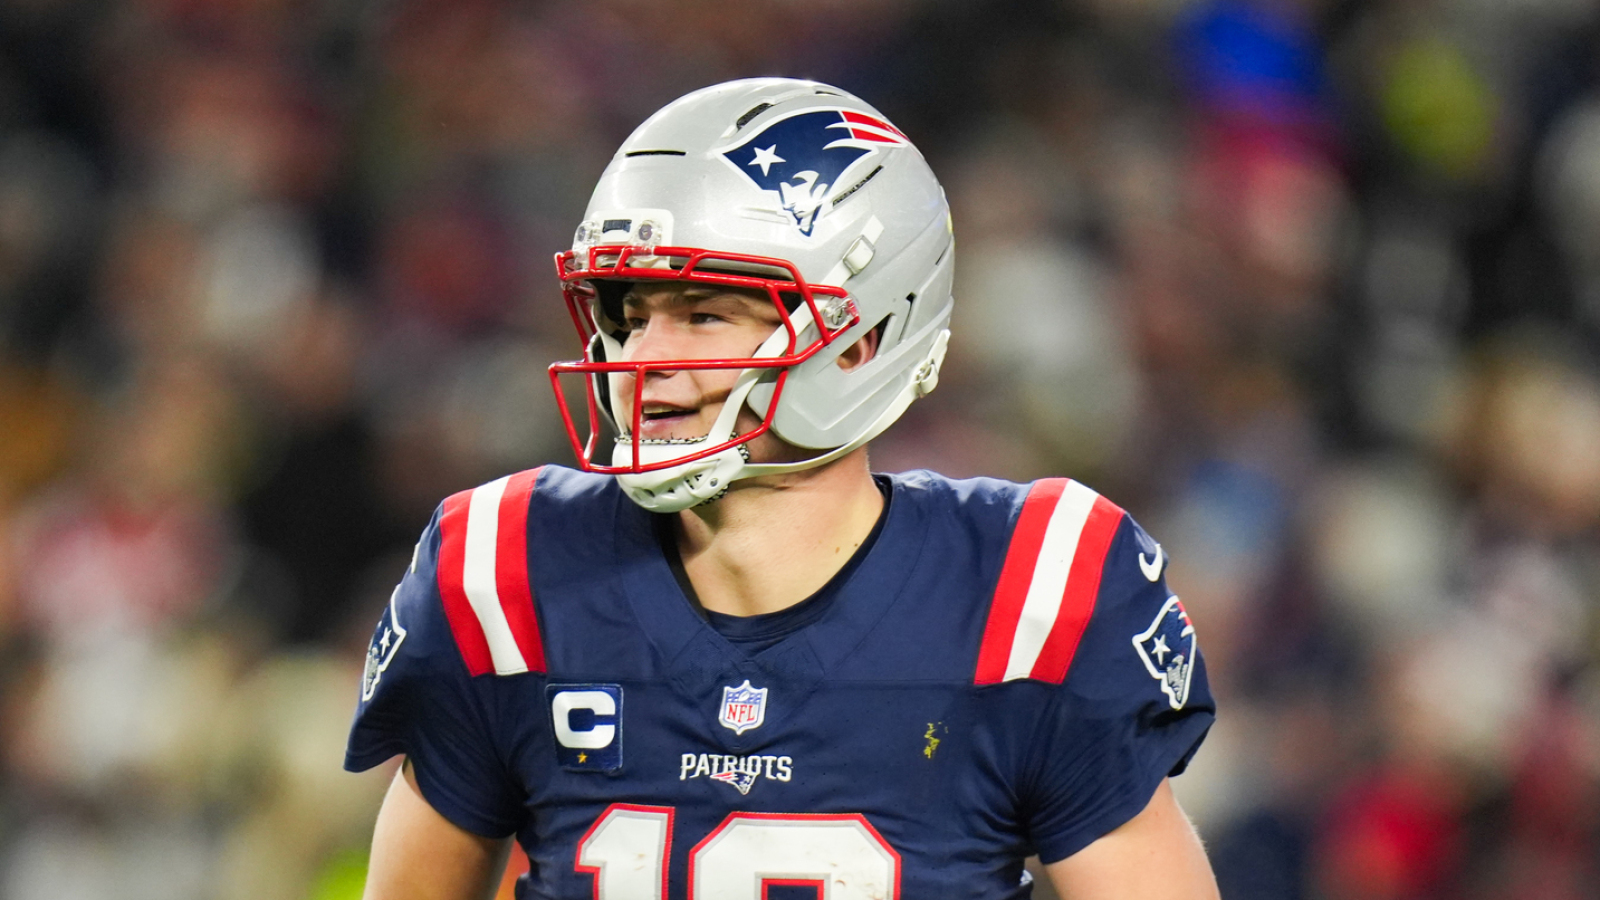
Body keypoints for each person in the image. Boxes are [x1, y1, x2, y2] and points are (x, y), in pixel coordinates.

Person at [346, 77, 1219, 900]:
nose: (645, 359)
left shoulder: (1032, 592)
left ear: (860, 341)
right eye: (630, 314)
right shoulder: (505, 573)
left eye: (704, 314)